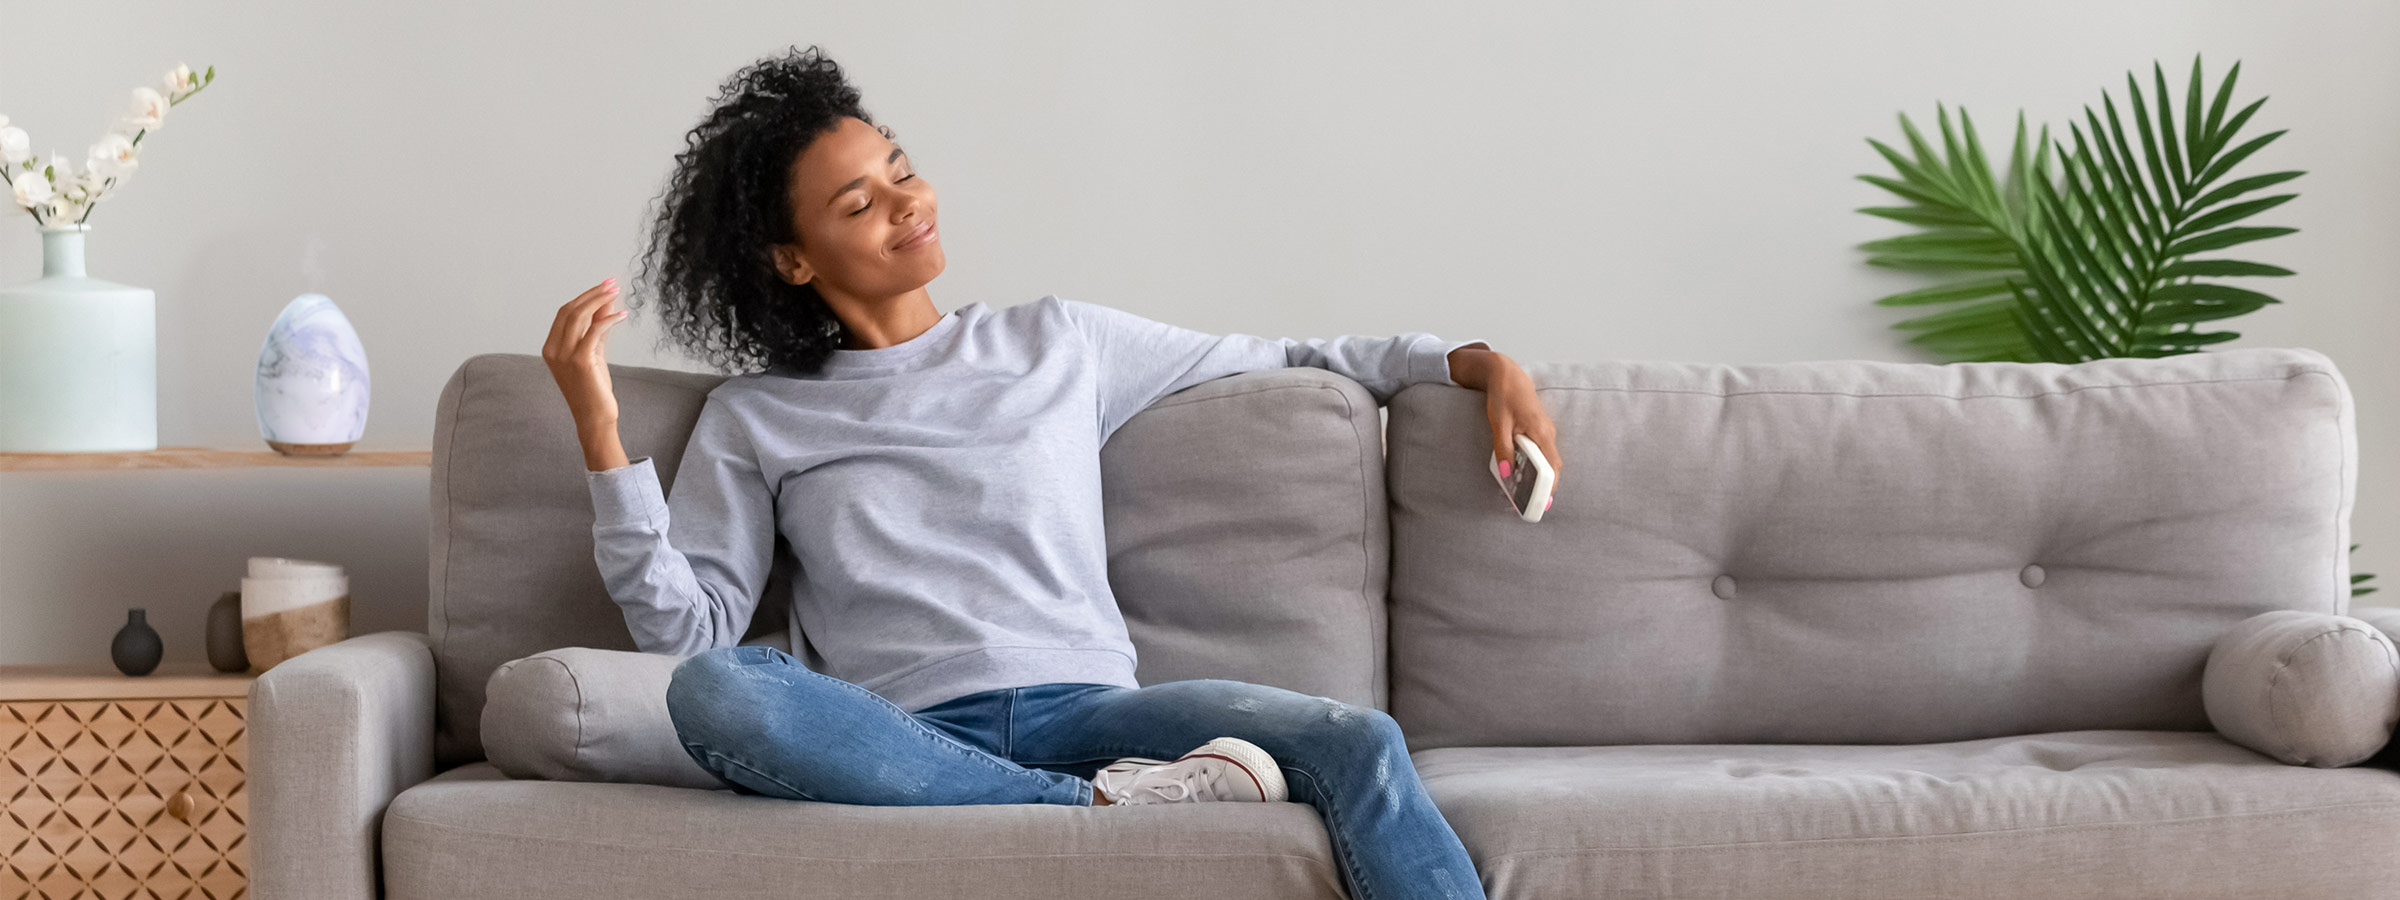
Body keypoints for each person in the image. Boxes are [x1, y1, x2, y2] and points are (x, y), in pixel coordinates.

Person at [539, 44, 1564, 900]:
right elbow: (688, 635)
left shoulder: (1057, 342)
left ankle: (1096, 786)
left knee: (1362, 740)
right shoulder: (757, 415)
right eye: (861, 202)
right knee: (722, 690)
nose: (908, 203)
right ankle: (1106, 806)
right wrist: (598, 425)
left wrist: (1474, 362)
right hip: (903, 731)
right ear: (794, 261)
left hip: (1097, 712)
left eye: (901, 168)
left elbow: (1293, 355)